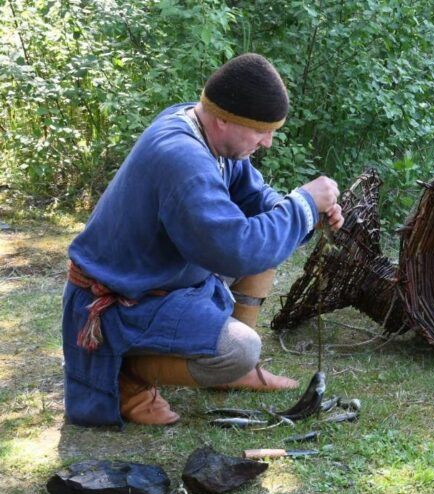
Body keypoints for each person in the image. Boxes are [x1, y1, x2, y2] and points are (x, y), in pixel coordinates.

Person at [62, 53, 343, 427]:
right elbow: (238, 250)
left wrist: (300, 213)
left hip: (160, 281)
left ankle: (221, 367)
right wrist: (304, 205)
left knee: (274, 233)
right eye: (261, 131)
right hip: (120, 304)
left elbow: (254, 197)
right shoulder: (183, 158)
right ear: (224, 119)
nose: (268, 143)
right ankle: (128, 374)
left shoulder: (203, 126)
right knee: (239, 348)